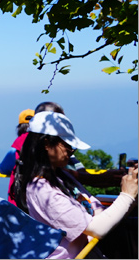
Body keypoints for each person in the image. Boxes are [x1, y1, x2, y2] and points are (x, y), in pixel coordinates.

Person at [11, 111, 139, 259]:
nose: (71, 151)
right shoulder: (41, 191)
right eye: (68, 145)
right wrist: (127, 195)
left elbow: (96, 211)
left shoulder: (60, 176)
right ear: (46, 144)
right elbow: (97, 228)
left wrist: (131, 192)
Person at [0, 108, 35, 204]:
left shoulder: (17, 146)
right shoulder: (47, 144)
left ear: (20, 127)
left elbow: (3, 169)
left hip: (21, 200)